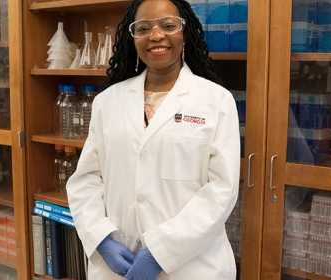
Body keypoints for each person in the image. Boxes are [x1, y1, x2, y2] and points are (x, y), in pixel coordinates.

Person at [66, 0, 240, 279]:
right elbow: (86, 180)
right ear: (131, 38)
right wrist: (100, 239)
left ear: (185, 33)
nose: (156, 36)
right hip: (117, 265)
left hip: (191, 267)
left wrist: (162, 251)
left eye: (169, 26)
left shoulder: (216, 101)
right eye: (143, 28)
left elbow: (221, 190)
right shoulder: (107, 102)